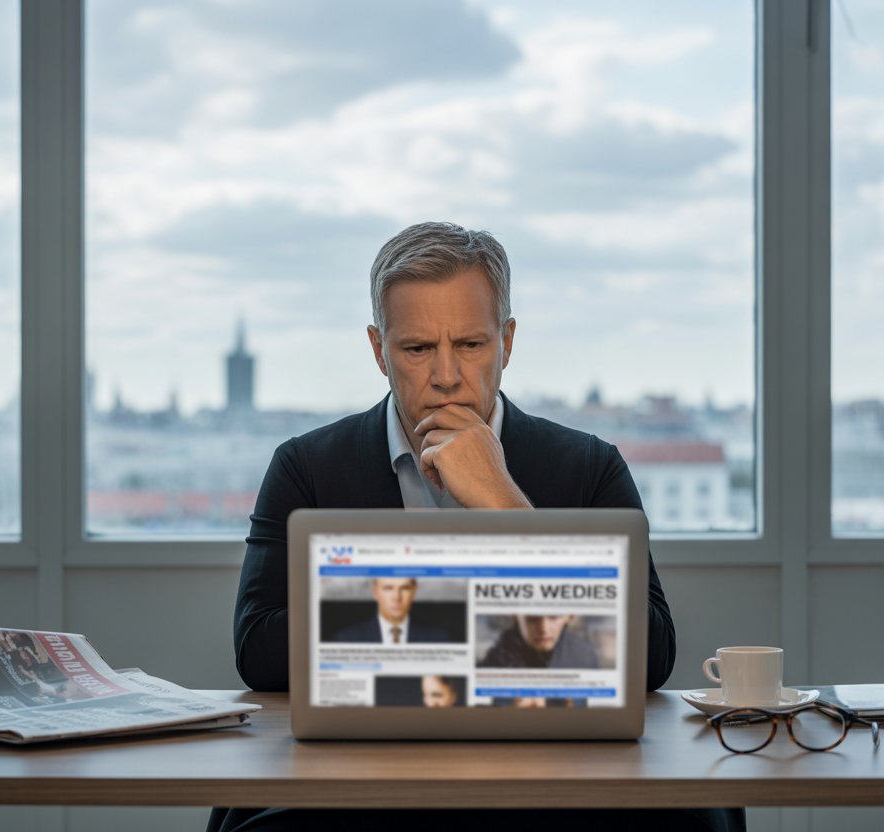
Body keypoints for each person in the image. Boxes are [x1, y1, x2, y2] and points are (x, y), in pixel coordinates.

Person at [214, 222, 743, 832]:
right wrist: (503, 616)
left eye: (469, 344)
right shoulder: (306, 465)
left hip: (555, 772)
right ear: (379, 350)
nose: (445, 376)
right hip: (361, 774)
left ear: (507, 342)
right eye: (416, 349)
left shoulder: (589, 465)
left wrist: (504, 506)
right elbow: (259, 649)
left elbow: (649, 656)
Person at [330, 577, 450, 643]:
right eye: (388, 588)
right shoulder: (346, 639)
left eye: (405, 588)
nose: (397, 597)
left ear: (414, 592)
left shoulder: (438, 638)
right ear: (375, 592)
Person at [479, 614, 600, 669]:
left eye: (553, 617)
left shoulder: (584, 657)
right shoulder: (495, 662)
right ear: (515, 616)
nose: (543, 629)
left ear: (570, 616)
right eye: (532, 619)